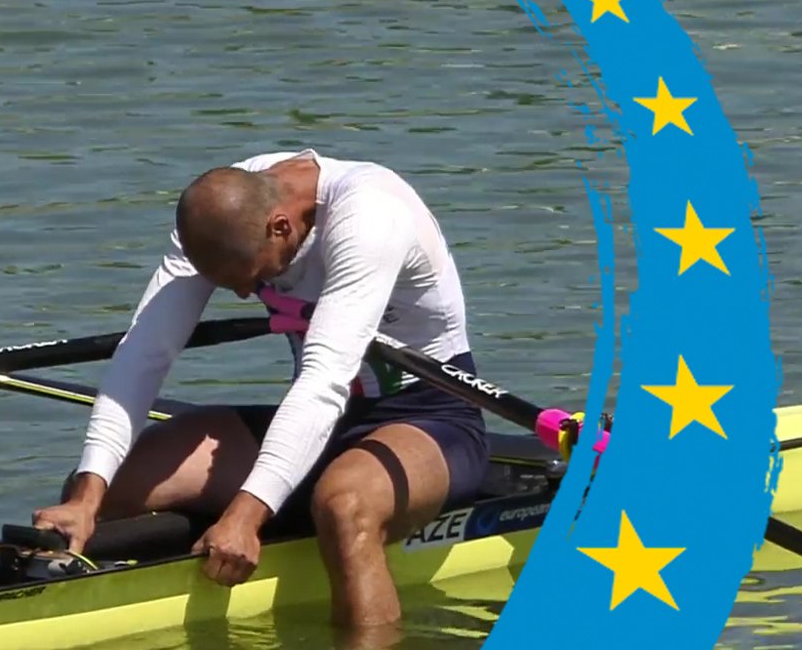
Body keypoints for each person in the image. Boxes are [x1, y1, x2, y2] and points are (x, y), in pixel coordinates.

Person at [31, 148, 488, 628]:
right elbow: (145, 352)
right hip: (318, 424)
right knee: (115, 484)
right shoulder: (217, 212)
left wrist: (247, 514)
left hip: (428, 417)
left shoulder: (370, 217)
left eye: (253, 277)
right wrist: (87, 492)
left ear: (280, 227)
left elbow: (322, 382)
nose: (248, 294)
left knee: (344, 505)